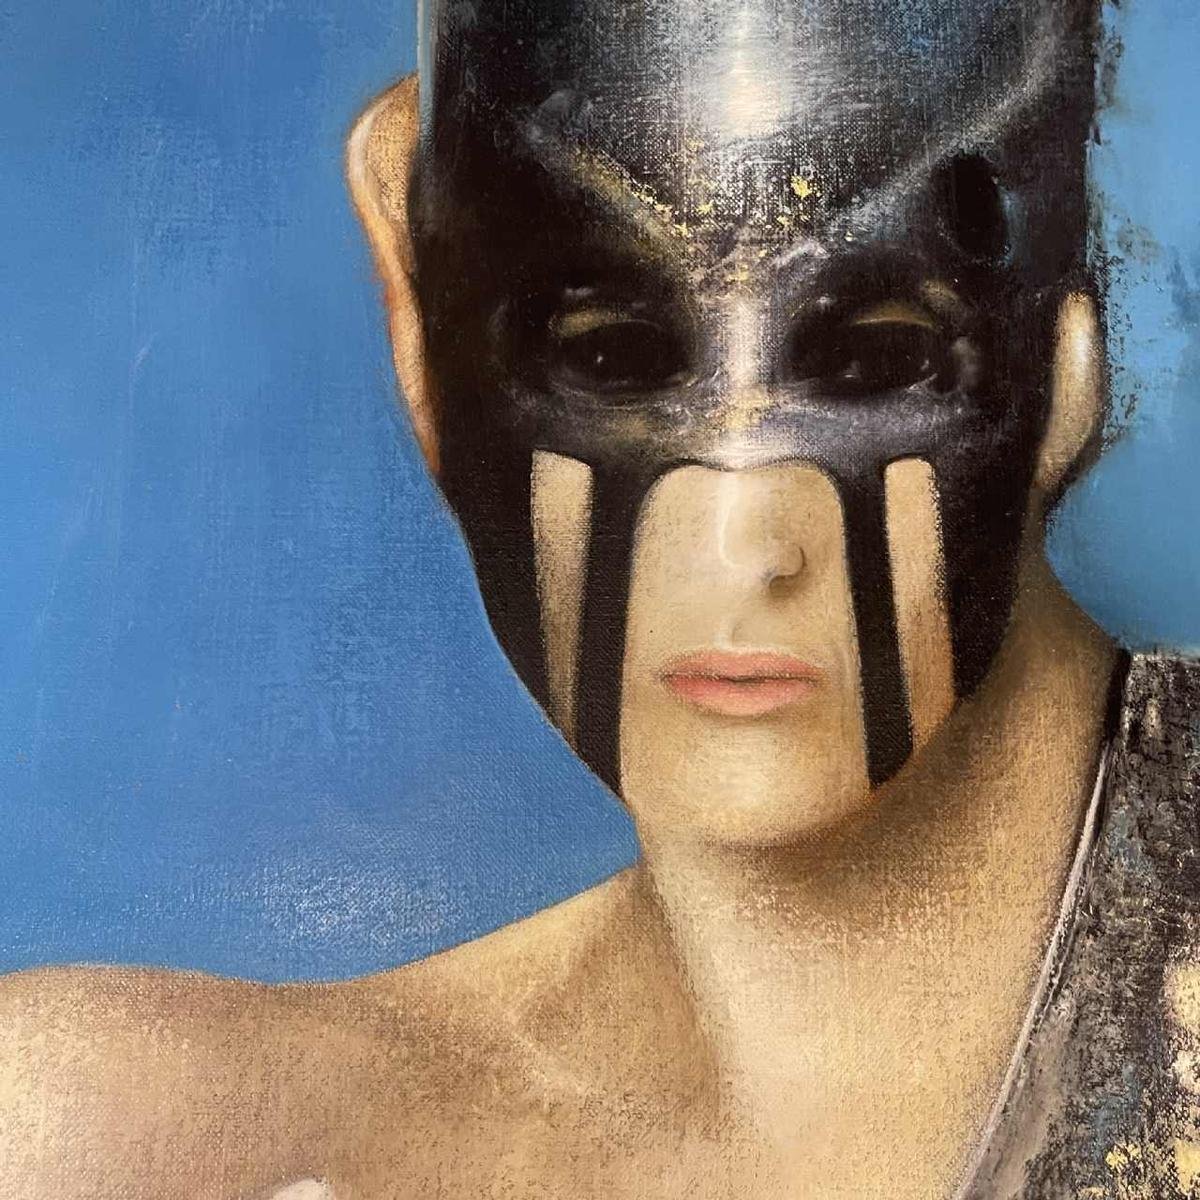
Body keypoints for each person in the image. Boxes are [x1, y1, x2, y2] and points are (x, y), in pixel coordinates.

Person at [3, 2, 1199, 1198]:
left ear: (1068, 369)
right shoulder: (125, 1137)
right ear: (417, 303)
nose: (740, 543)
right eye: (611, 354)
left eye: (876, 358)